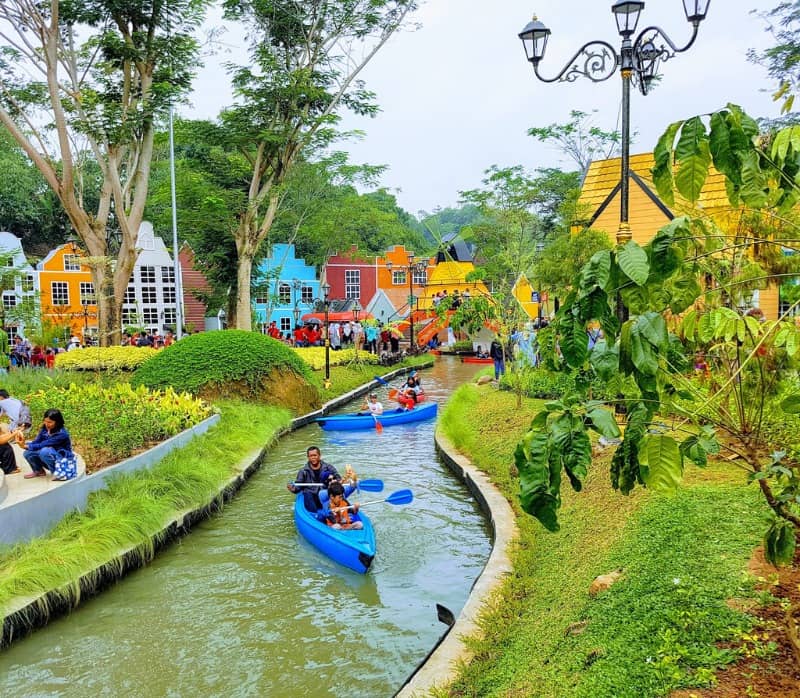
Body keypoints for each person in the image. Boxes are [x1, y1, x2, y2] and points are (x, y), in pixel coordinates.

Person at [18, 408, 72, 479]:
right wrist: (25, 445)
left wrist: (25, 446)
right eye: (45, 421)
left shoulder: (62, 434)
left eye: (50, 422)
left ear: (57, 422)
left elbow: (43, 444)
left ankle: (59, 473)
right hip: (50, 456)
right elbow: (36, 442)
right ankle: (39, 471)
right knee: (28, 453)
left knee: (44, 451)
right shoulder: (45, 429)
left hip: (62, 460)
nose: (46, 424)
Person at [286, 446, 341, 512]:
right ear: (308, 457)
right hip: (311, 498)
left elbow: (338, 478)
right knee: (307, 492)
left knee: (335, 491)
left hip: (325, 496)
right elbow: (298, 487)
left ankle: (335, 510)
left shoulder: (328, 467)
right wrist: (293, 489)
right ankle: (315, 514)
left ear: (319, 456)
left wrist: (334, 481)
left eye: (315, 455)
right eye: (310, 456)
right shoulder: (303, 471)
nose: (313, 458)